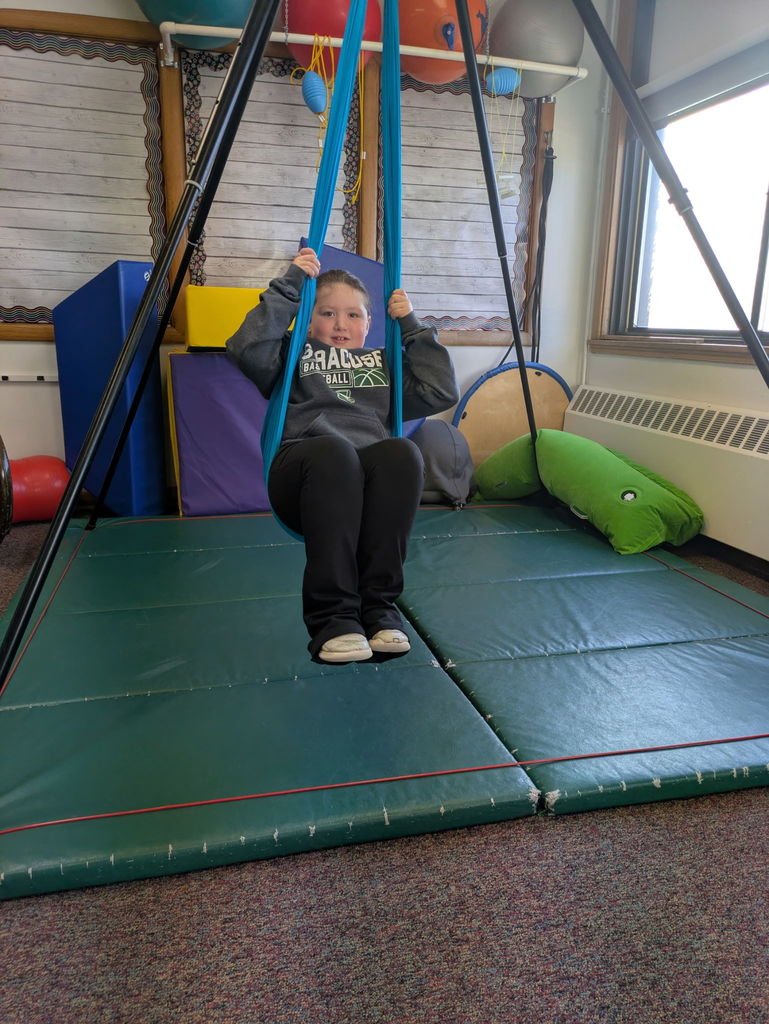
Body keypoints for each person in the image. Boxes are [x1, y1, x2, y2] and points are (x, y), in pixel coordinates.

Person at [226, 247, 459, 664]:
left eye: (353, 315)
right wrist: (292, 284)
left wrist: (410, 327)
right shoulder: (293, 355)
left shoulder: (383, 364)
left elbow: (440, 391)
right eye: (327, 313)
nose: (340, 324)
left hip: (366, 489)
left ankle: (379, 609)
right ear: (308, 320)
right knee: (335, 452)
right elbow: (246, 347)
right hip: (305, 475)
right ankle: (334, 619)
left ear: (369, 325)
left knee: (402, 452)